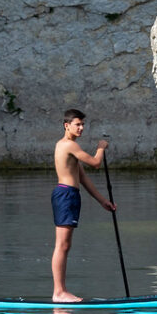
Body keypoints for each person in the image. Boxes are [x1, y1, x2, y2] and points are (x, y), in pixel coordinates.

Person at [50, 109, 115, 302]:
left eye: (83, 124)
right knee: (62, 245)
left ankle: (60, 292)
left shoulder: (70, 147)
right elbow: (95, 163)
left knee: (65, 245)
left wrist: (103, 200)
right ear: (66, 125)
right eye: (77, 124)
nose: (81, 128)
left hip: (70, 195)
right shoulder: (68, 145)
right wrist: (101, 147)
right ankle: (59, 292)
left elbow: (84, 177)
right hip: (65, 195)